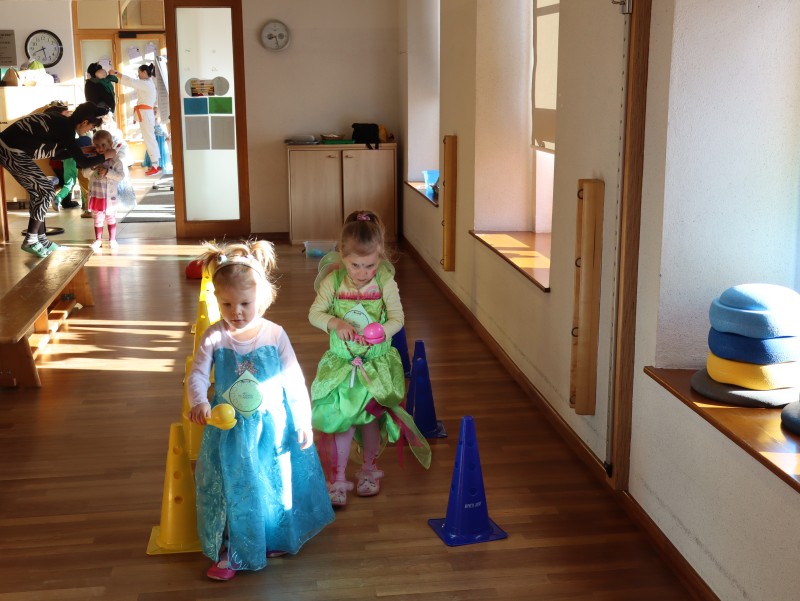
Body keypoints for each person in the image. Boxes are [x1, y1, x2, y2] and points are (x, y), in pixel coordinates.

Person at [187, 240, 334, 581]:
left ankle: (274, 534)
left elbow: (293, 379)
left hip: (273, 426)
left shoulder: (275, 334)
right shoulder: (214, 337)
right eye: (226, 304)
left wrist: (303, 420)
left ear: (262, 297)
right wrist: (200, 402)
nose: (236, 312)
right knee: (237, 486)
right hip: (231, 431)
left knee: (272, 481)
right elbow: (197, 374)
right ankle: (234, 548)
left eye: (245, 303)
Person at [308, 210, 431, 507]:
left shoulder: (386, 282)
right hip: (342, 365)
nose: (362, 272)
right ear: (342, 256)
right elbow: (315, 313)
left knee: (369, 421)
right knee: (343, 421)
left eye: (370, 265)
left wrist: (381, 332)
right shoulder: (333, 282)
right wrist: (335, 323)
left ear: (380, 257)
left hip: (375, 366)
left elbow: (398, 318)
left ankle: (369, 471)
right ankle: (338, 479)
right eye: (355, 265)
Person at [0, 102, 116, 258]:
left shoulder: (63, 123)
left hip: (10, 149)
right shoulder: (66, 128)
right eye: (91, 126)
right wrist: (106, 156)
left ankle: (42, 239)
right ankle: (31, 240)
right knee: (46, 191)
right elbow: (83, 163)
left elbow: (56, 155)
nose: (90, 130)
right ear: (84, 122)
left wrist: (80, 151)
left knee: (39, 192)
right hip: (9, 150)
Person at [109, 64, 161, 176]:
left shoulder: (145, 83)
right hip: (146, 114)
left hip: (146, 114)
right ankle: (156, 164)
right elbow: (131, 81)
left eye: (139, 72)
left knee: (149, 139)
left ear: (144, 72)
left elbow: (130, 81)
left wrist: (116, 73)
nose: (138, 75)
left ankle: (155, 165)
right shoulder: (148, 82)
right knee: (150, 139)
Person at [84, 129, 129, 251]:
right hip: (96, 196)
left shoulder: (115, 161)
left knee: (110, 217)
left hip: (110, 197)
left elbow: (121, 176)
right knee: (97, 219)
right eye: (97, 145)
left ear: (110, 144)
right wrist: (92, 167)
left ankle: (112, 240)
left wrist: (108, 172)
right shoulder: (92, 160)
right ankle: (98, 240)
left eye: (103, 145)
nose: (100, 148)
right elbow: (84, 173)